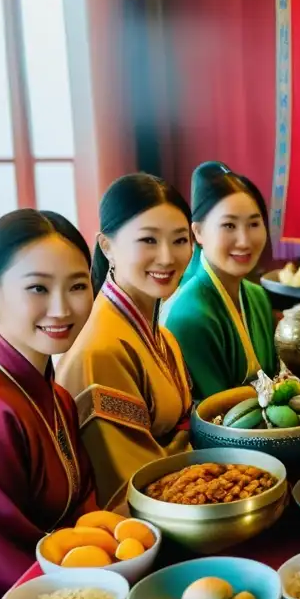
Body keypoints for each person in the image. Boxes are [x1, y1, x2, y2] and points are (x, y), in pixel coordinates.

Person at [0, 210, 97, 599]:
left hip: (73, 577)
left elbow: (84, 503)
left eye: (77, 286)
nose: (61, 309)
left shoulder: (57, 397)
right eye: (38, 289)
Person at [58, 174, 194, 508]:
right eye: (148, 240)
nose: (167, 258)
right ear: (107, 247)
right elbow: (130, 486)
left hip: (179, 491)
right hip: (133, 528)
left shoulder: (162, 336)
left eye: (180, 240)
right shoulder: (101, 350)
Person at [165, 162, 277, 400]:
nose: (245, 241)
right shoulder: (189, 315)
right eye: (229, 225)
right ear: (198, 232)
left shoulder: (257, 296)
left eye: (254, 224)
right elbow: (212, 411)